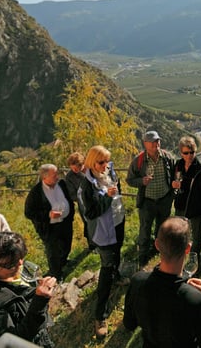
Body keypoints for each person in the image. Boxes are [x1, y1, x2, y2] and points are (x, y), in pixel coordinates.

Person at [123, 216, 201, 347]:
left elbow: (129, 324)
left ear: (157, 244)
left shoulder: (137, 281)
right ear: (188, 248)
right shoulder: (196, 300)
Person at [79, 145, 126, 338]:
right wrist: (107, 198)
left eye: (107, 161)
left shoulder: (109, 170)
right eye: (101, 162)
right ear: (91, 161)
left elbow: (117, 189)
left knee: (117, 254)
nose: (104, 165)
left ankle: (118, 275)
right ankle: (101, 315)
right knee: (106, 268)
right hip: (102, 231)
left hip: (117, 222)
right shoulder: (86, 186)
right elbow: (90, 214)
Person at [126, 130, 175, 268]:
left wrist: (172, 193)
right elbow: (129, 180)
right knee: (145, 229)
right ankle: (143, 257)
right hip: (147, 202)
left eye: (157, 141)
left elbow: (174, 175)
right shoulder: (139, 161)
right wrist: (141, 181)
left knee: (162, 228)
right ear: (145, 144)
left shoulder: (167, 157)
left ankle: (158, 251)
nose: (156, 144)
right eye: (153, 142)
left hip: (164, 199)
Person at [25, 164, 75, 280]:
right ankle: (56, 273)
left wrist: (70, 213)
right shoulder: (36, 192)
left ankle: (63, 261)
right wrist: (48, 214)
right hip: (49, 227)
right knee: (53, 251)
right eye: (54, 175)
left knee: (66, 244)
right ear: (44, 177)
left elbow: (69, 199)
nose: (57, 177)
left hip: (65, 222)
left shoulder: (61, 184)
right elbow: (29, 213)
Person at [172, 136, 201, 257]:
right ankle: (178, 259)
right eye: (186, 153)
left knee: (196, 238)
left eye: (192, 152)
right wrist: (173, 184)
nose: (189, 155)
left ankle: (193, 262)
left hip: (197, 211)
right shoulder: (178, 165)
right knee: (179, 234)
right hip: (180, 206)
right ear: (181, 153)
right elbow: (173, 181)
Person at [64, 152, 93, 250]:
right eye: (72, 168)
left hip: (97, 201)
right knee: (88, 223)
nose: (74, 170)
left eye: (76, 168)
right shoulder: (69, 177)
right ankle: (92, 245)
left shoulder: (91, 169)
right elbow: (72, 194)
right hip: (83, 204)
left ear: (82, 164)